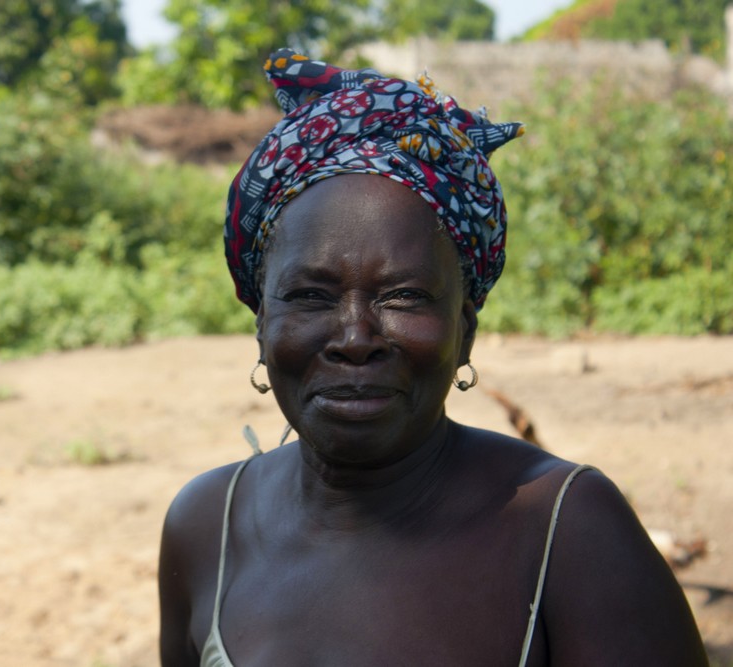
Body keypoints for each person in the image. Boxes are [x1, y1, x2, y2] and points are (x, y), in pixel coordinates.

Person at [158, 49, 707, 666]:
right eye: (310, 296)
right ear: (262, 323)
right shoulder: (206, 527)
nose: (355, 336)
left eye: (404, 296)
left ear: (464, 330)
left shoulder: (567, 529)